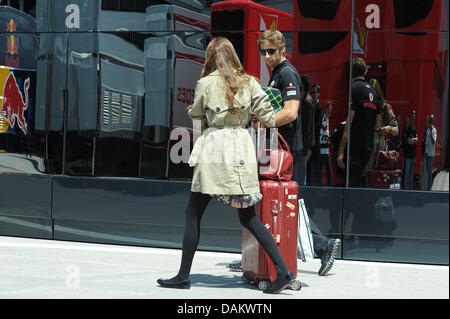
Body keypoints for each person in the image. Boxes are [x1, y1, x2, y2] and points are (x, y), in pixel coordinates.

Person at [157, 37, 295, 294]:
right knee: (248, 216)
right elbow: (268, 117)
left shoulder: (205, 83)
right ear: (233, 56)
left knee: (193, 213)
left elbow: (197, 116)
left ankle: (183, 276)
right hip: (242, 147)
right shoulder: (251, 83)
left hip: (215, 150)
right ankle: (283, 271)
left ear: (211, 58)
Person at [258, 29, 340, 276]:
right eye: (264, 51)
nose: (267, 56)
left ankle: (324, 245)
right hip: (278, 148)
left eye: (272, 51)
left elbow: (291, 112)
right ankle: (254, 255)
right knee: (276, 204)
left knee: (284, 205)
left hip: (285, 150)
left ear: (283, 50)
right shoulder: (277, 74)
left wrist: (264, 121)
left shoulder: (287, 73)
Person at [337, 57, 382, 187]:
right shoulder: (375, 93)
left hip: (354, 148)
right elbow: (377, 124)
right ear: (365, 72)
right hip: (368, 148)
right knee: (360, 182)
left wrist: (341, 151)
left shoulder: (355, 89)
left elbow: (348, 123)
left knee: (350, 184)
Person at [364, 78, 398, 182]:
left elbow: (396, 130)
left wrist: (388, 128)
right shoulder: (365, 106)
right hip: (366, 147)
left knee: (378, 177)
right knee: (366, 177)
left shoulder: (385, 108)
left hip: (379, 148)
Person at [293, 74, 314, 187]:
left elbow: (308, 128)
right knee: (299, 175)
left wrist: (305, 150)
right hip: (302, 146)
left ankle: (301, 199)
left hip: (303, 147)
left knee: (300, 176)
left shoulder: (306, 103)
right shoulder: (304, 101)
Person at [308, 83, 323, 186]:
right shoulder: (310, 105)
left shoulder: (318, 107)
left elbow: (317, 125)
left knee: (314, 164)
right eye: (312, 92)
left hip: (315, 140)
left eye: (315, 92)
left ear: (319, 94)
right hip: (310, 140)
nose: (313, 95)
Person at [402, 111, 418, 189]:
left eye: (414, 118)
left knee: (411, 173)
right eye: (413, 118)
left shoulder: (414, 129)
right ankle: (406, 189)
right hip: (408, 155)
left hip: (413, 155)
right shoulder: (406, 129)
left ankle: (410, 189)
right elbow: (408, 141)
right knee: (407, 172)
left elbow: (416, 139)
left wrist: (413, 140)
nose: (413, 120)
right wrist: (412, 140)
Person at [319, 101, 333, 186]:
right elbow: (324, 132)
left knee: (326, 169)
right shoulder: (324, 119)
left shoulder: (327, 118)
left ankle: (327, 185)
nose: (329, 111)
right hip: (322, 149)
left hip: (325, 149)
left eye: (331, 109)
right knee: (327, 169)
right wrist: (329, 138)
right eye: (328, 109)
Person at [424, 114, 437, 190]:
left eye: (432, 120)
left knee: (429, 172)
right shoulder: (427, 130)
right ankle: (428, 187)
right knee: (427, 172)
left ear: (433, 121)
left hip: (431, 154)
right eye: (430, 120)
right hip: (427, 153)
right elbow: (426, 142)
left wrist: (432, 132)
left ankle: (429, 189)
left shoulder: (434, 130)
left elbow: (433, 142)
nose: (431, 121)